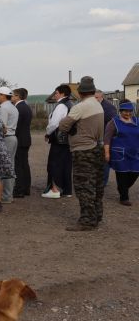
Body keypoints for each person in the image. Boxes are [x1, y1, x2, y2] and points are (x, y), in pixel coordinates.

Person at [58, 76, 105, 231]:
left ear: (80, 92)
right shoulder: (98, 105)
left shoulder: (81, 107)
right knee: (96, 185)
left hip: (83, 151)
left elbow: (63, 125)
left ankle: (87, 221)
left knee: (84, 186)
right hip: (97, 148)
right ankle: (96, 216)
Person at [104, 100, 139, 206]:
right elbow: (107, 138)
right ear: (120, 111)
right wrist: (107, 153)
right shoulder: (114, 122)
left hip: (135, 153)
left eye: (130, 111)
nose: (128, 113)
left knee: (135, 173)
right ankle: (124, 198)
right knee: (122, 175)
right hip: (120, 154)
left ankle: (122, 188)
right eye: (125, 111)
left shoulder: (137, 121)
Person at [43, 84, 73, 198]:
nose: (54, 95)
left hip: (59, 139)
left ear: (62, 93)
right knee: (66, 164)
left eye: (56, 93)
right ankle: (67, 190)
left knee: (54, 164)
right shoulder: (70, 104)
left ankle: (55, 190)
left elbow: (54, 123)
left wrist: (48, 133)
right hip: (67, 139)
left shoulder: (61, 106)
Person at [0, 86, 18, 204]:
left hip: (6, 138)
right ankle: (8, 194)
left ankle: (6, 196)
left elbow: (1, 126)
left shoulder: (4, 108)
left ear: (3, 95)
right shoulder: (12, 107)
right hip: (12, 137)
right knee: (9, 166)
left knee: (5, 168)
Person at [12, 88, 33, 197]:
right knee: (24, 164)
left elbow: (17, 125)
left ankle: (19, 190)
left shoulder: (18, 108)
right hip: (26, 138)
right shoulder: (26, 107)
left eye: (13, 95)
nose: (11, 97)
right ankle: (26, 188)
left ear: (18, 96)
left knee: (18, 165)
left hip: (19, 139)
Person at [95, 90, 118, 186]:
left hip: (105, 138)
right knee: (98, 160)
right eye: (94, 97)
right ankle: (99, 180)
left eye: (97, 98)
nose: (95, 99)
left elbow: (113, 124)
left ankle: (103, 181)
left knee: (105, 160)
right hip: (97, 138)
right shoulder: (96, 106)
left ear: (101, 97)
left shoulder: (108, 107)